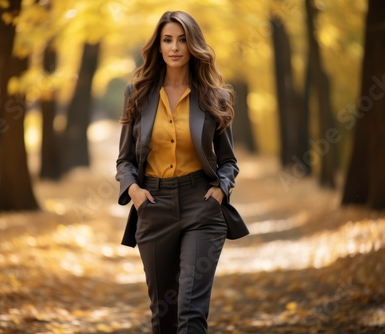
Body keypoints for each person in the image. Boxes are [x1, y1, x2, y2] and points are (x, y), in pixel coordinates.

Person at [115, 10, 248, 333]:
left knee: (190, 312)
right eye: (168, 40)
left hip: (201, 206)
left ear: (194, 46)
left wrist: (220, 190)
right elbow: (125, 160)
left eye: (183, 40)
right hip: (153, 206)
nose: (175, 47)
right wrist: (135, 193)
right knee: (164, 317)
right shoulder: (138, 93)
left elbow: (228, 161)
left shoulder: (214, 96)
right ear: (158, 47)